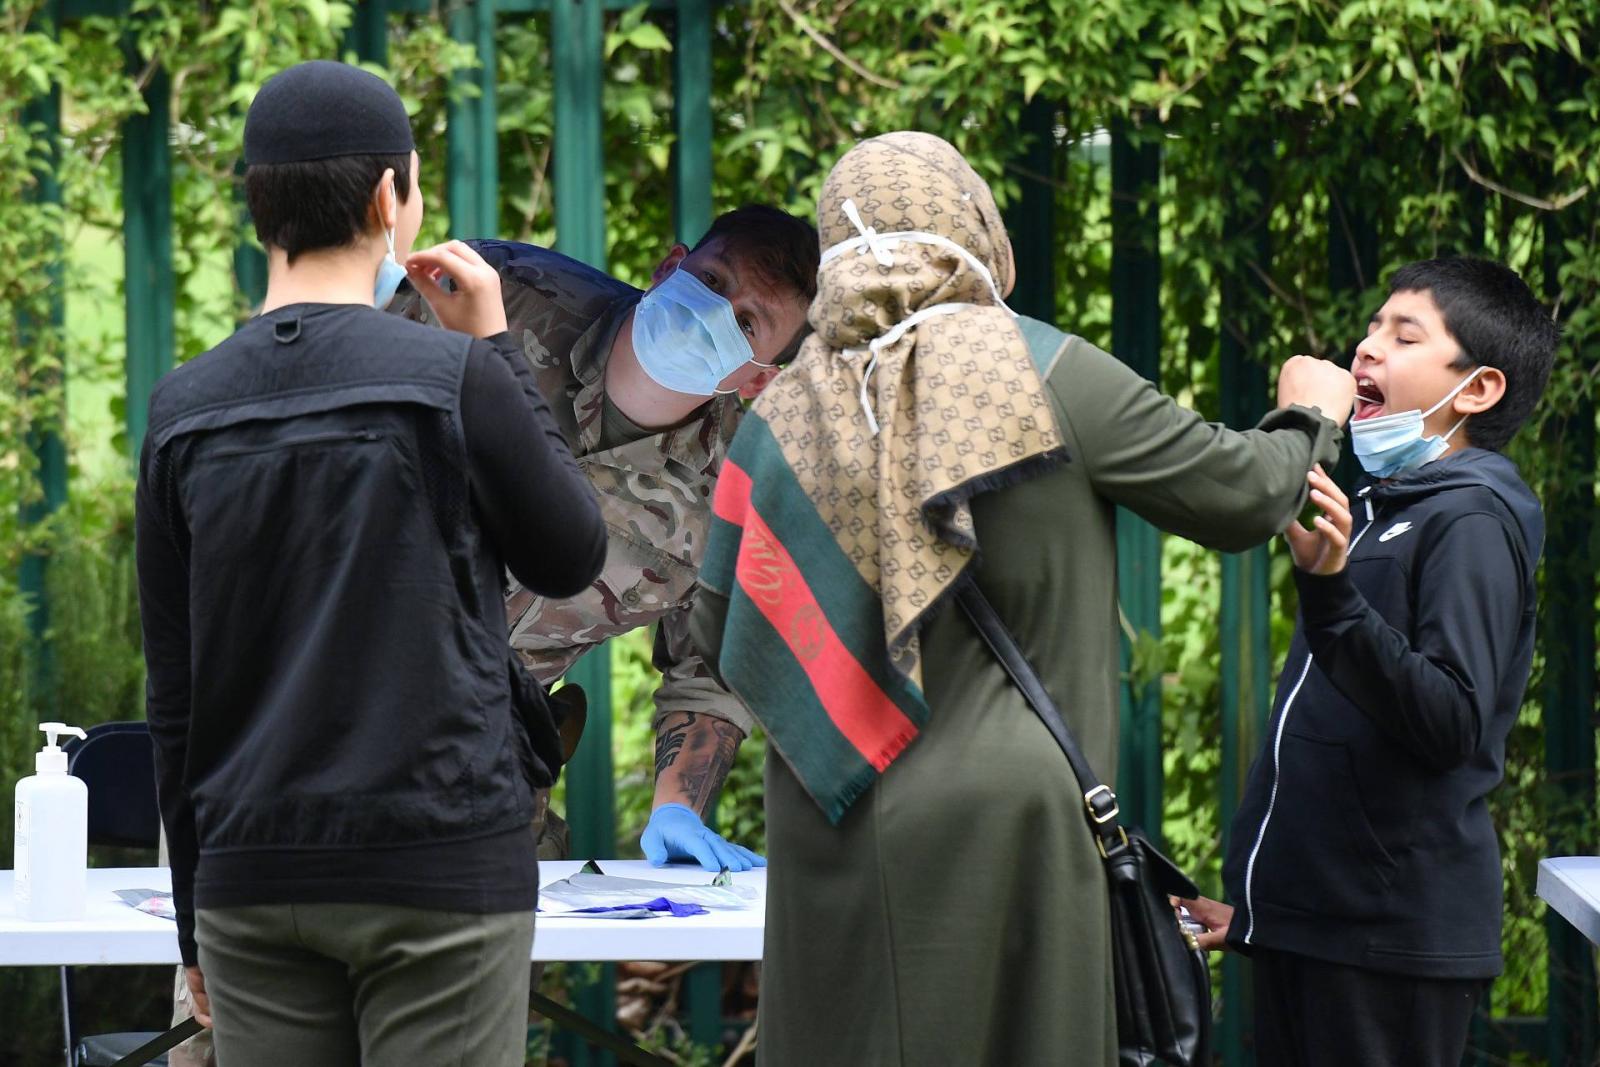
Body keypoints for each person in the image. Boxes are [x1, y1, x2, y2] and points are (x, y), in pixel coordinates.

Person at [687, 131, 1357, 1065]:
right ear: (973, 222)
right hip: (1018, 826)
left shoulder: (780, 417)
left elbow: (723, 625)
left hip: (831, 817)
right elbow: (1240, 493)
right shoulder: (1046, 372)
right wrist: (1309, 416)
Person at [137, 60, 606, 1067]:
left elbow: (175, 695)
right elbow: (572, 555)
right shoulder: (451, 377)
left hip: (253, 875)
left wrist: (193, 929)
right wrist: (494, 344)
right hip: (436, 861)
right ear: (388, 197)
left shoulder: (183, 410)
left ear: (259, 204)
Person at [1180, 258, 1558, 1067]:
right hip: (1316, 936)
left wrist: (1333, 595)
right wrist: (1258, 912)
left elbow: (1451, 716)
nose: (1366, 349)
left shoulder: (1474, 519)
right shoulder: (1388, 511)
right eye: (1372, 327)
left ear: (1479, 389)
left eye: (1404, 333)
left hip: (1387, 948)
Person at [388, 204, 818, 871]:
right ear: (670, 266)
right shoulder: (498, 294)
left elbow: (707, 667)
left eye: (745, 323)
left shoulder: (738, 495)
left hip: (485, 790)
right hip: (324, 727)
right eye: (711, 278)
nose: (712, 311)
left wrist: (678, 804)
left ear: (759, 379)